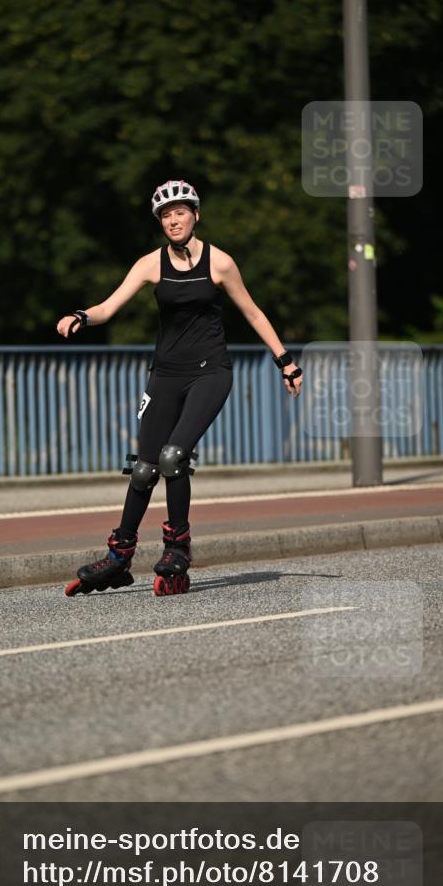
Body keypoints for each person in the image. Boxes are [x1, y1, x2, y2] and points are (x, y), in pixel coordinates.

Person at [57, 179, 302, 597]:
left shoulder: (220, 263)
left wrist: (286, 362)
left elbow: (253, 312)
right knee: (144, 468)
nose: (173, 220)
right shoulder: (150, 264)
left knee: (173, 457)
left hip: (210, 372)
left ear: (195, 216)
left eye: (180, 213)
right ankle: (119, 555)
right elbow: (109, 307)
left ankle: (177, 549)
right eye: (166, 215)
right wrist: (81, 315)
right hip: (165, 374)